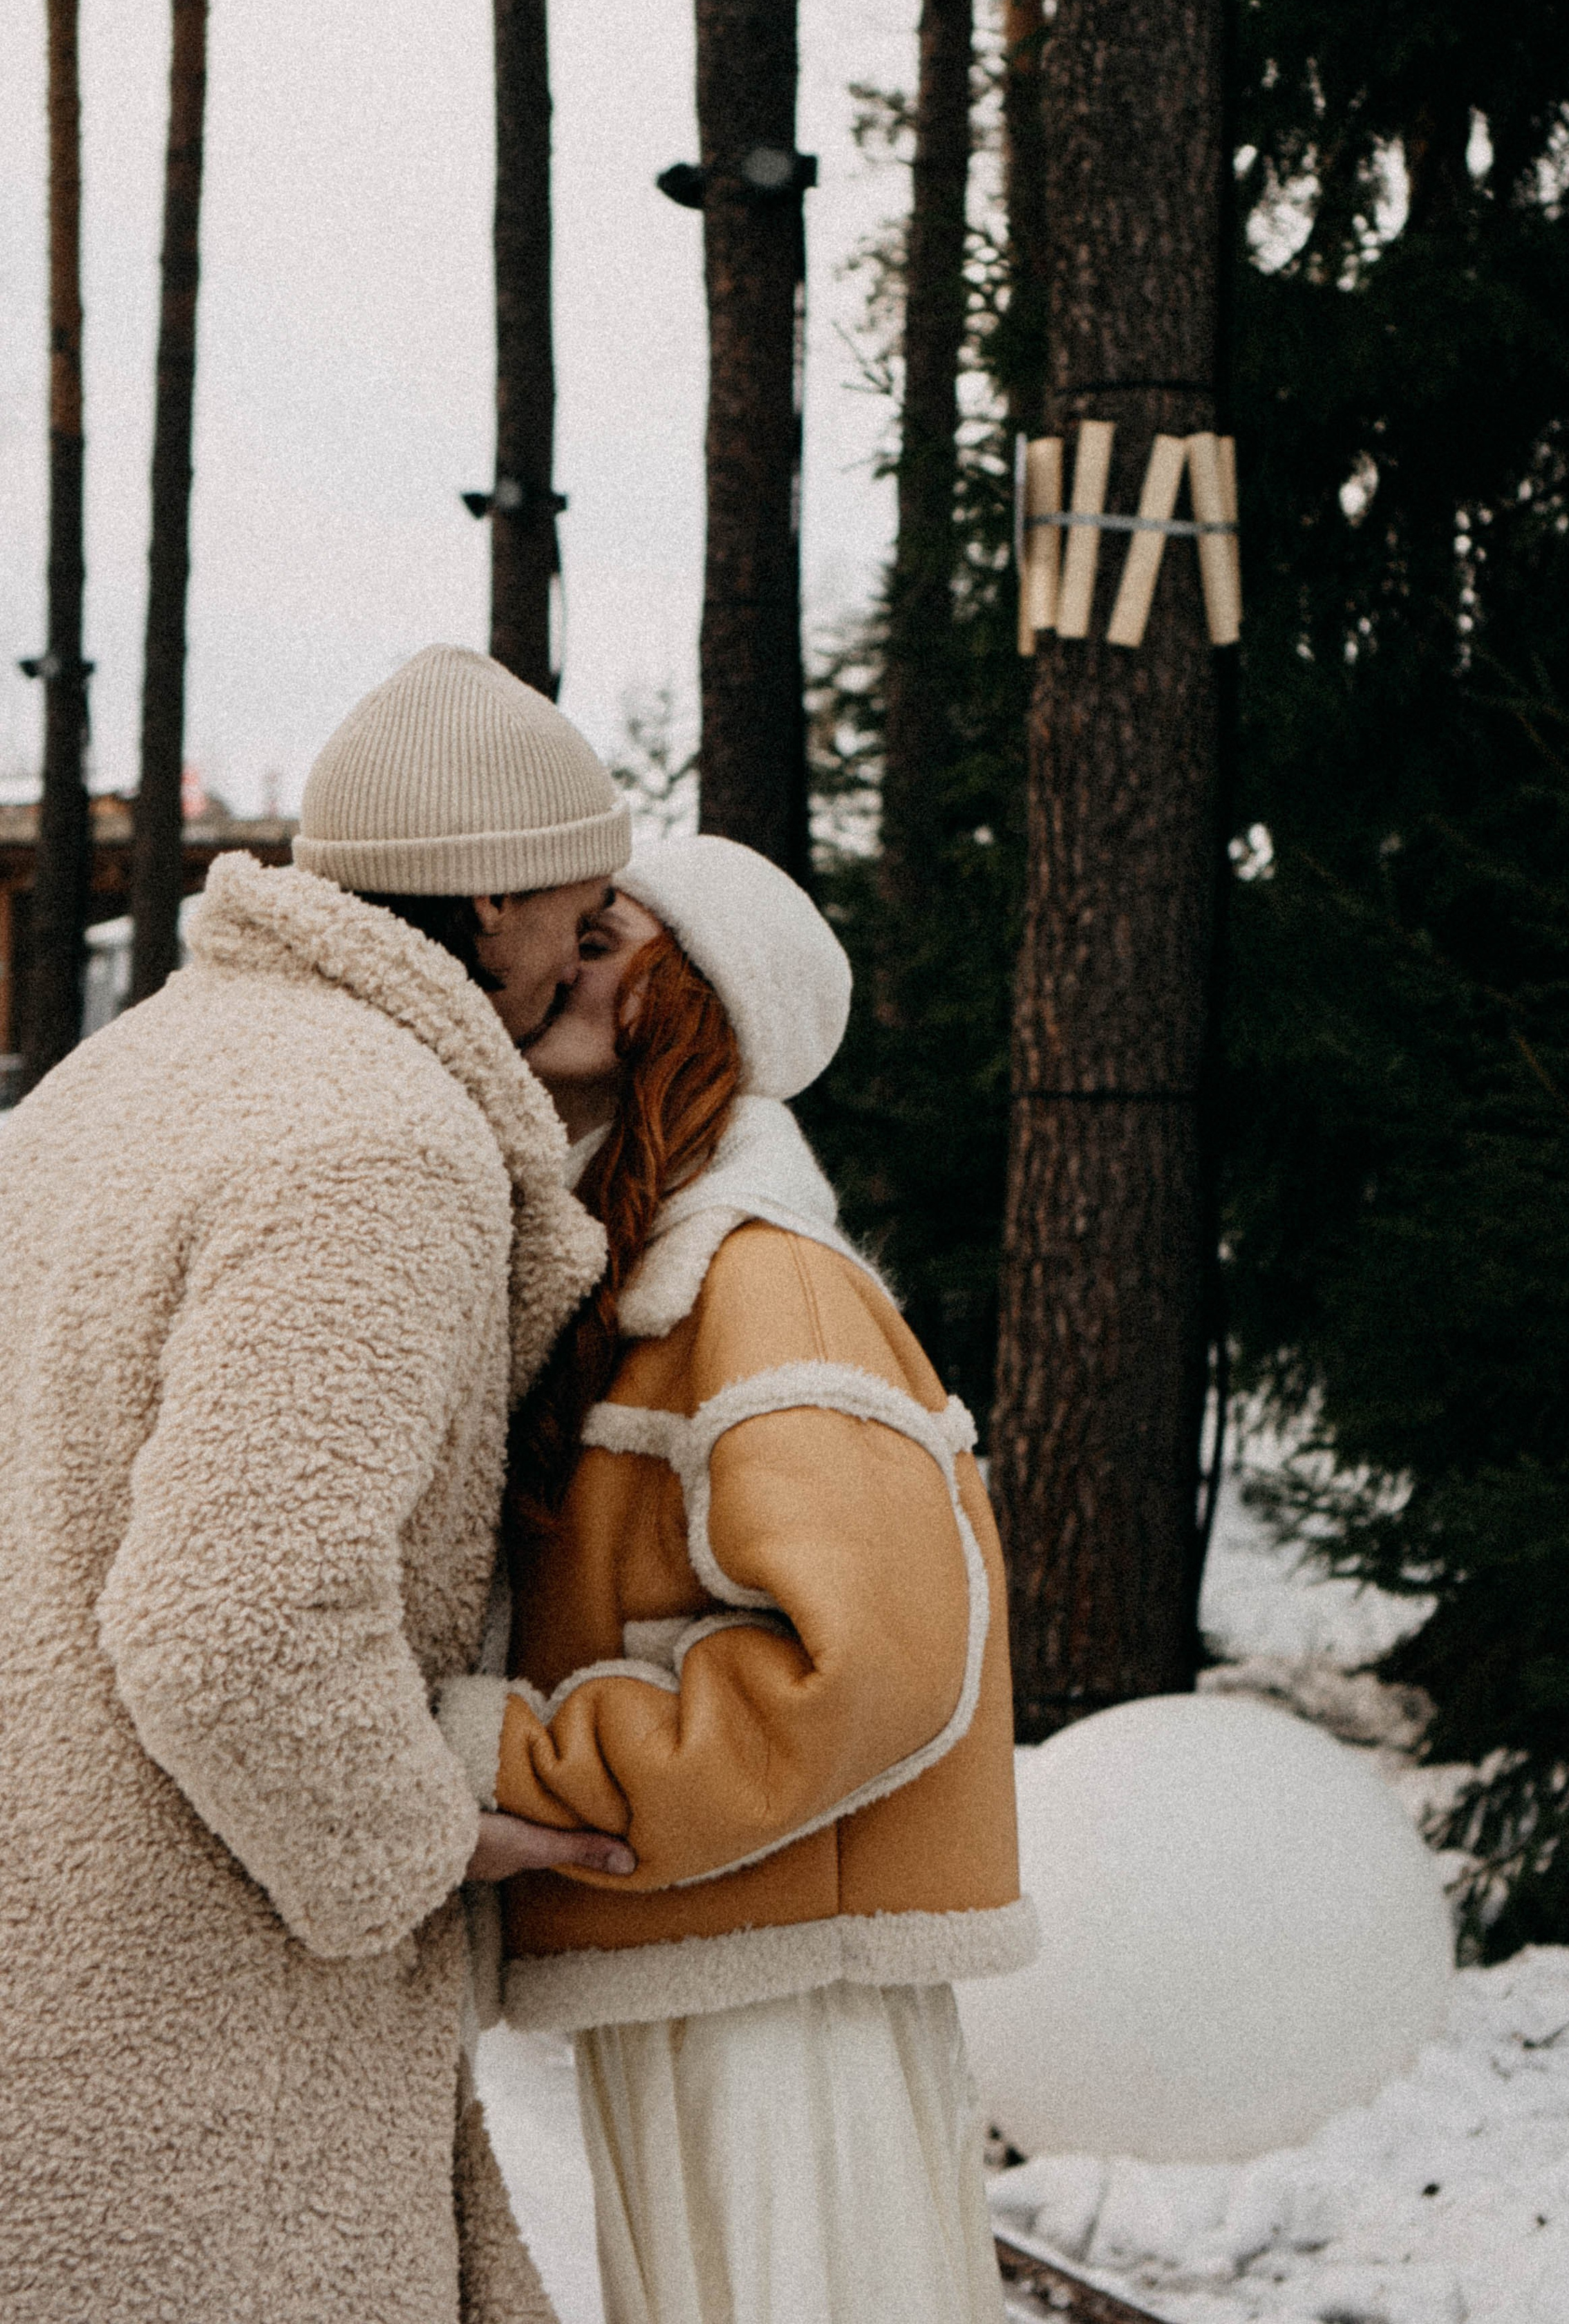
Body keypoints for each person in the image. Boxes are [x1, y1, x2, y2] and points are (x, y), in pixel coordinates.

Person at [0, 645, 637, 2324]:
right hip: (187, 2047)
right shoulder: (379, 1143)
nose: (589, 954)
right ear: (487, 907)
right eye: (579, 915)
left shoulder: (113, 1084)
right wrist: (427, 1836)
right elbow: (234, 1620)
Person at [439, 834, 1037, 2324]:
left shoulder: (759, 1272)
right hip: (715, 1953)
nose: (557, 955)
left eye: (607, 930)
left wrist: (513, 1760)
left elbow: (869, 1662)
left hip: (783, 1994)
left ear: (709, 995)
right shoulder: (637, 1273)